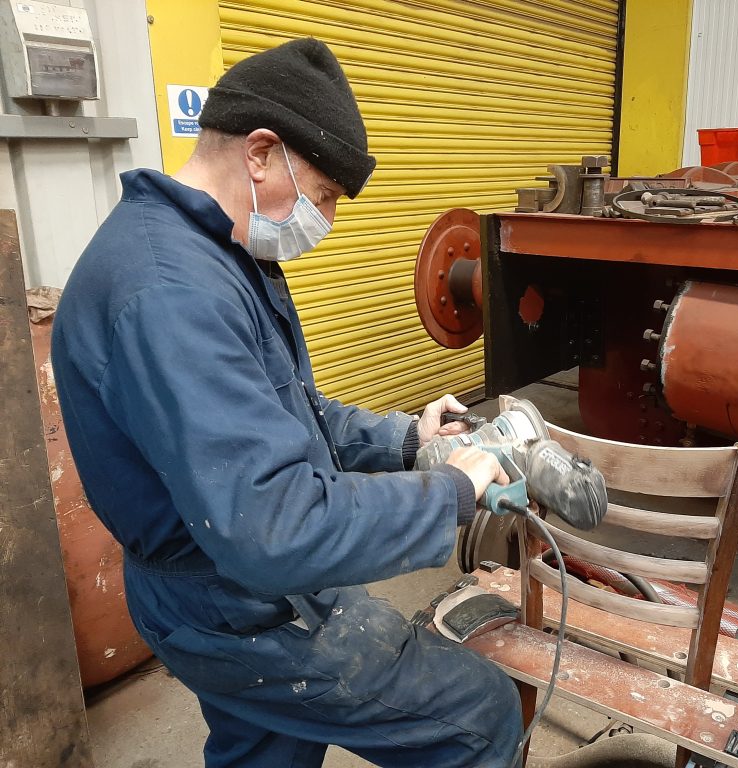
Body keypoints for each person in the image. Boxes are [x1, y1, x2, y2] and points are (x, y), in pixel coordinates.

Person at [51, 37, 522, 767]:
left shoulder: (217, 251)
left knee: (268, 749)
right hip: (231, 607)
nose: (325, 221)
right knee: (479, 714)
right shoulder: (172, 294)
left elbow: (286, 411)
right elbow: (276, 526)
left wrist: (406, 439)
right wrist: (451, 493)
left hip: (225, 584)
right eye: (326, 196)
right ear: (261, 153)